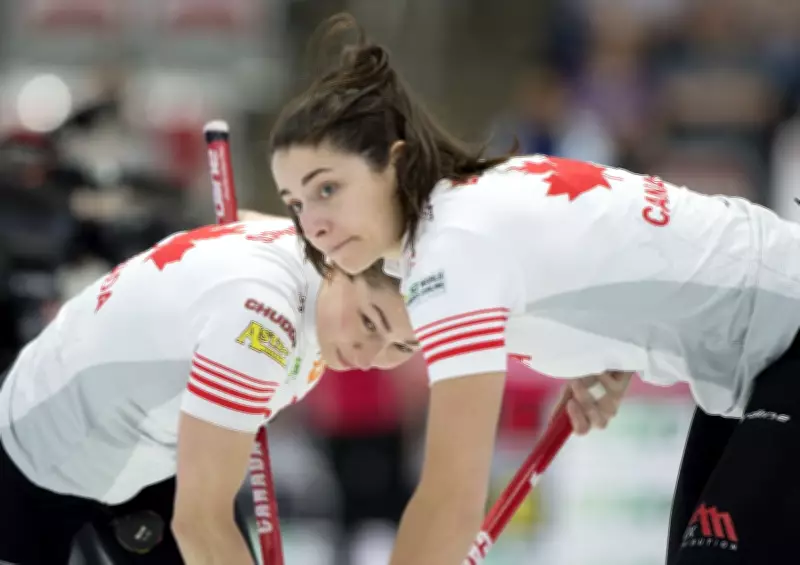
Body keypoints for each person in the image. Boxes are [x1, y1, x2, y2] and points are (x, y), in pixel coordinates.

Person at [268, 14, 800, 565]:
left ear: (395, 162)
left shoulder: (450, 247)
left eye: (328, 189)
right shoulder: (465, 209)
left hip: (784, 329)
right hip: (754, 358)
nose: (314, 225)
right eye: (296, 204)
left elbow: (452, 497)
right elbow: (627, 242)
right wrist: (612, 344)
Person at [0, 213, 420, 565]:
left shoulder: (311, 255)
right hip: (42, 445)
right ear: (341, 265)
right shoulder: (260, 324)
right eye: (370, 322)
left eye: (402, 347)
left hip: (153, 450)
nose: (372, 356)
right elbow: (200, 523)